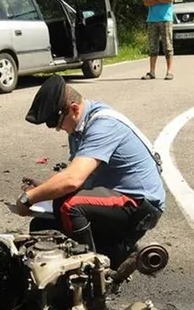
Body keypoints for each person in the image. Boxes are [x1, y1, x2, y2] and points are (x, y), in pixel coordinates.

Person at [15, 75, 167, 268]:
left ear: (74, 109)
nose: (58, 129)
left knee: (71, 206)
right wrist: (45, 188)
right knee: (41, 226)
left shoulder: (102, 125)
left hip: (140, 205)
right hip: (114, 197)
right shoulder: (79, 127)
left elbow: (73, 180)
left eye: (58, 123)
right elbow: (79, 176)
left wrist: (29, 198)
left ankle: (93, 273)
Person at [141, 0, 177, 81]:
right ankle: (152, 72)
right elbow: (146, 2)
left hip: (166, 19)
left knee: (168, 46)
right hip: (152, 20)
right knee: (153, 46)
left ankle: (169, 71)